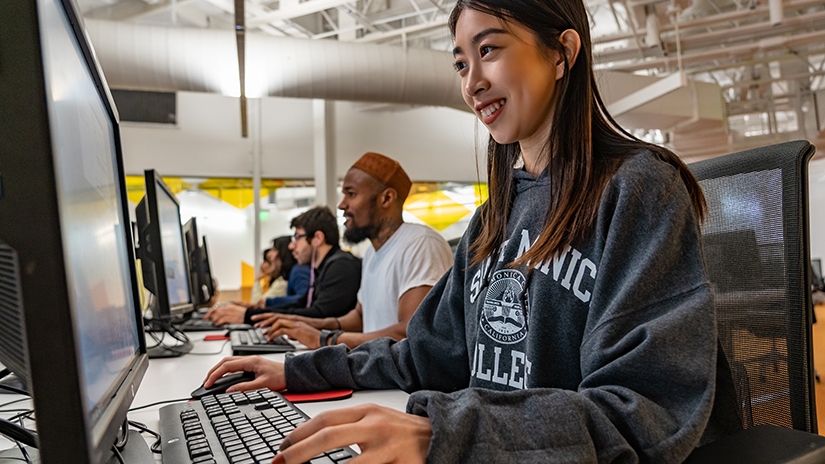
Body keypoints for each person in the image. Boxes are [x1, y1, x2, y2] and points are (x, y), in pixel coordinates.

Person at [204, 0, 743, 461]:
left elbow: (644, 410)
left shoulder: (640, 189)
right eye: (461, 63)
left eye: (489, 50)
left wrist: (443, 432)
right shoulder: (495, 218)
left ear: (563, 53)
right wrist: (298, 372)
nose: (472, 82)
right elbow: (424, 354)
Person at [252, 152, 454, 349]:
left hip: (404, 381)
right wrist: (301, 323)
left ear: (387, 198)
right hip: (376, 371)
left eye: (351, 194)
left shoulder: (420, 244)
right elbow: (359, 317)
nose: (341, 205)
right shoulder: (372, 253)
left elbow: (409, 333)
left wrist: (326, 340)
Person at [206, 206, 361, 326]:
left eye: (297, 237)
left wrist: (247, 316)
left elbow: (318, 316)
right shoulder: (323, 268)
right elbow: (300, 304)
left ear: (317, 238)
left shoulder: (341, 266)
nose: (291, 246)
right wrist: (252, 311)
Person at [250, 236, 311, 307]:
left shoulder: (297, 271)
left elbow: (257, 304)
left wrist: (269, 301)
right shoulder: (288, 276)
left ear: (284, 253)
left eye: (274, 249)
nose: (269, 255)